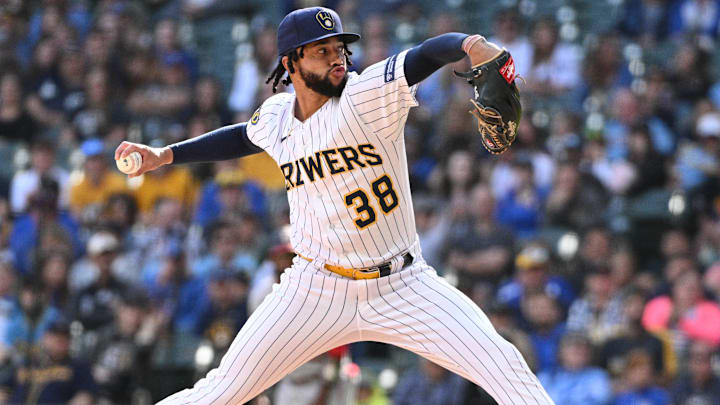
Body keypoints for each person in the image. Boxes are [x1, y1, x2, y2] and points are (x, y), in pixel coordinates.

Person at [115, 7, 552, 404]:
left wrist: (470, 44)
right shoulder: (276, 116)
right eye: (321, 51)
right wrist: (165, 155)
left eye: (339, 47)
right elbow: (240, 137)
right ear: (290, 63)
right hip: (314, 287)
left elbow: (424, 54)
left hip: (403, 284)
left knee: (504, 366)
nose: (336, 57)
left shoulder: (366, 97)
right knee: (221, 391)